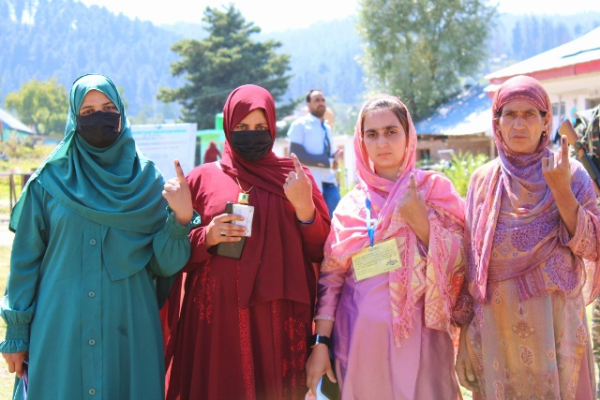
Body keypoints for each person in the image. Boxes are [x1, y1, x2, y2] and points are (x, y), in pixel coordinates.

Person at [0, 73, 198, 399]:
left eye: (107, 108)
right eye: (88, 112)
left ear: (121, 113)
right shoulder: (48, 182)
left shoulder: (147, 181)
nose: (99, 117)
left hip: (129, 330)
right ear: (74, 119)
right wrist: (17, 334)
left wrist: (179, 218)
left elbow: (164, 266)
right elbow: (24, 262)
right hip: (60, 327)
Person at [162, 84, 331, 400]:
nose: (251, 134)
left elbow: (320, 250)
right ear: (228, 127)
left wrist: (305, 207)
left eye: (259, 127)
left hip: (278, 321)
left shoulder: (294, 176)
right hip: (217, 323)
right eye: (241, 127)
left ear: (272, 126)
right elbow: (173, 254)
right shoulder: (201, 178)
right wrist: (207, 236)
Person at [305, 94, 466, 399]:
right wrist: (321, 343)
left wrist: (422, 224)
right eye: (372, 134)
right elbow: (331, 279)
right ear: (361, 142)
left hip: (424, 342)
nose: (382, 143)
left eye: (391, 131)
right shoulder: (351, 206)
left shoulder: (434, 192)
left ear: (408, 137)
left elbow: (465, 261)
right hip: (361, 341)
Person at [454, 75, 600, 400]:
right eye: (510, 114)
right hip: (496, 333)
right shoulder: (482, 181)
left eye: (530, 114)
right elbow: (471, 266)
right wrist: (464, 338)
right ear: (498, 122)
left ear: (546, 121)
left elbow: (593, 246)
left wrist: (561, 190)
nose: (519, 124)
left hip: (557, 329)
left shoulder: (571, 173)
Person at [288, 89, 342, 217]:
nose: (321, 103)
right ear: (308, 105)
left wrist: (335, 157)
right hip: (311, 184)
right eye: (316, 100)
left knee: (336, 222)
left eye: (323, 100)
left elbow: (329, 154)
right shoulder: (299, 125)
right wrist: (328, 163)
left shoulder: (327, 127)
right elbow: (296, 155)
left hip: (330, 182)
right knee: (316, 223)